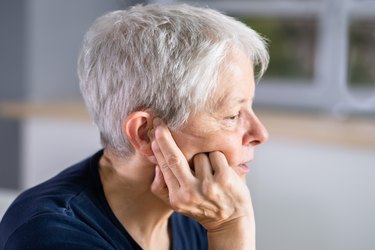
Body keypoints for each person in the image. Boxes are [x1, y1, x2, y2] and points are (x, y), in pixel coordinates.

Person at [0, 3, 269, 250]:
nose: (260, 133)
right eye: (233, 115)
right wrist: (231, 228)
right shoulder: (49, 237)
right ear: (145, 133)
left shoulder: (200, 206)